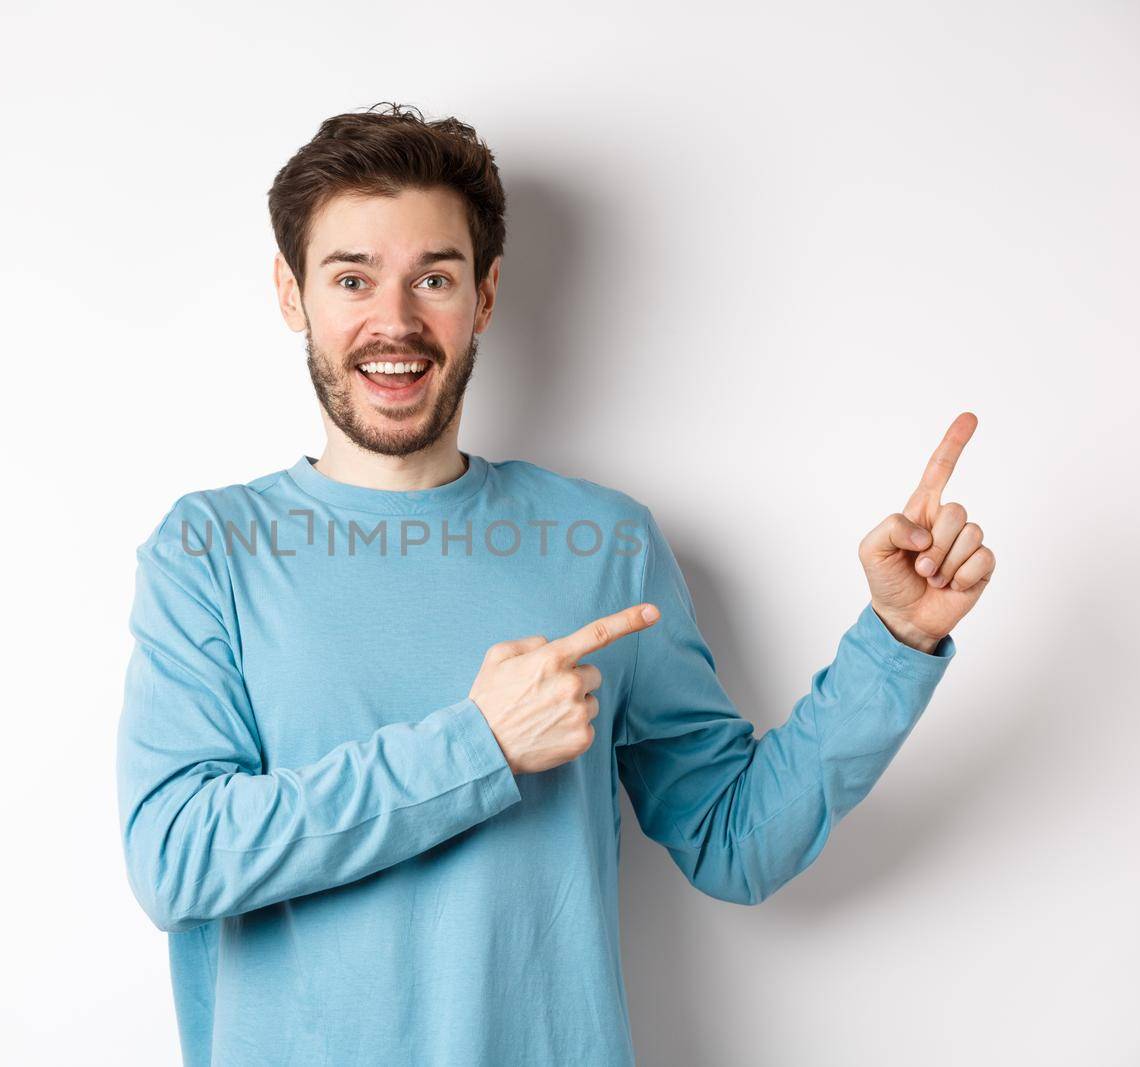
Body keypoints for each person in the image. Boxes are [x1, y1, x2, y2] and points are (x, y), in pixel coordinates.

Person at [115, 102, 995, 1066]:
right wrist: (477, 744)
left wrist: (895, 641)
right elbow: (175, 856)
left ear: (486, 295)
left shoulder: (603, 545)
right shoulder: (210, 549)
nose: (395, 321)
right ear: (293, 294)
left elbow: (736, 842)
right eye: (352, 277)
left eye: (434, 278)